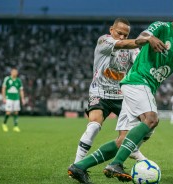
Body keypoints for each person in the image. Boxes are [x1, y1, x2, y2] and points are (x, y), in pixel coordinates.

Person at [69, 2, 173, 183]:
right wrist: (148, 39)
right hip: (137, 81)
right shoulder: (161, 27)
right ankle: (116, 164)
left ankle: (79, 167)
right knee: (151, 120)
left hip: (143, 87)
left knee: (123, 141)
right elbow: (145, 35)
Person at [68, 18, 161, 184]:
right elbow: (125, 45)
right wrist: (146, 39)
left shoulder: (130, 49)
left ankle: (132, 151)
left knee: (146, 126)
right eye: (119, 33)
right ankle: (76, 165)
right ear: (111, 30)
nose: (122, 37)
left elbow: (140, 59)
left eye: (126, 35)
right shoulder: (104, 41)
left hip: (120, 96)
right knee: (94, 126)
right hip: (100, 92)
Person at [1, 68, 25, 132]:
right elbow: (3, 88)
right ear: (11, 72)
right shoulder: (7, 79)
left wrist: (22, 98)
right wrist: (3, 98)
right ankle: (4, 124)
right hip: (9, 98)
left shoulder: (18, 80)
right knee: (8, 112)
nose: (15, 73)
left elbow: (21, 90)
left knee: (16, 112)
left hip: (16, 98)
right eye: (14, 72)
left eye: (16, 72)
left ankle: (15, 126)